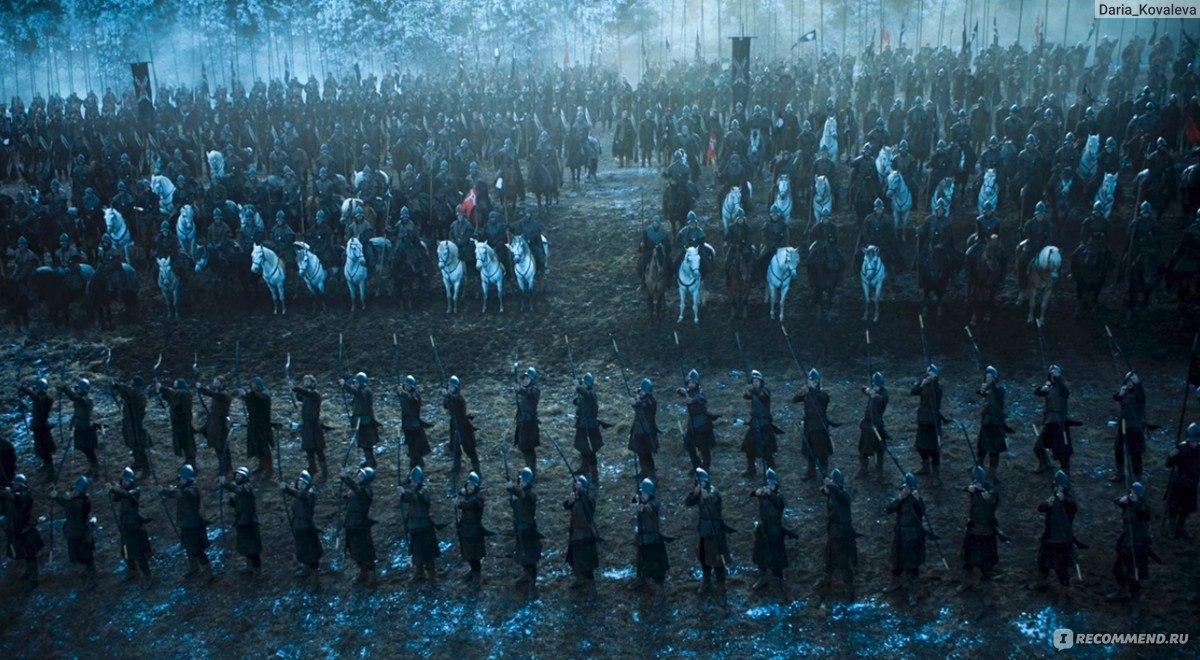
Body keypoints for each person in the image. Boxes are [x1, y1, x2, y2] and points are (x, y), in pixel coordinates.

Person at [160, 464, 213, 581]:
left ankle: (208, 572)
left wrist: (164, 491)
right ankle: (194, 567)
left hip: (194, 525)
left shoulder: (192, 489)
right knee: (189, 547)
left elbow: (179, 493)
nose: (179, 480)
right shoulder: (185, 488)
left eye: (181, 478)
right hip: (185, 524)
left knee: (197, 549)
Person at [685, 468, 731, 595]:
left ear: (707, 481)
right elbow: (688, 503)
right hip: (704, 529)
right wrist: (695, 494)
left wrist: (707, 497)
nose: (701, 484)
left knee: (718, 558)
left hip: (715, 530)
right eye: (699, 482)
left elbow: (715, 503)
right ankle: (706, 579)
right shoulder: (699, 492)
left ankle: (721, 584)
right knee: (703, 555)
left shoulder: (714, 492)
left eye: (703, 482)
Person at [1106, 482, 1154, 602]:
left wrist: (1135, 501)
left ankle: (1135, 598)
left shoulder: (1143, 507)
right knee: (1118, 569)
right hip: (1127, 542)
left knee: (1134, 573)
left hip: (1138, 545)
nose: (1130, 494)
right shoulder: (1129, 504)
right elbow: (1117, 501)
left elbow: (1143, 512)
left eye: (1132, 493)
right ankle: (1123, 591)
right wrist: (1124, 499)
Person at [49, 476, 98, 588]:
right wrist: (56, 495)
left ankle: (92, 580)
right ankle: (84, 577)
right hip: (73, 533)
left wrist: (57, 497)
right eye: (75, 489)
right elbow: (67, 501)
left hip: (82, 534)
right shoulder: (74, 499)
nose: (75, 491)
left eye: (78, 490)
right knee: (76, 557)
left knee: (87, 558)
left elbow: (70, 505)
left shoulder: (83, 502)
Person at [1035, 470, 1078, 593]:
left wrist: (1064, 499)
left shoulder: (1069, 500)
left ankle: (1064, 589)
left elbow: (1073, 507)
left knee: (1061, 566)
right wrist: (1047, 503)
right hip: (1049, 536)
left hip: (1062, 539)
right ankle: (1042, 582)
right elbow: (1041, 508)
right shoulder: (1052, 498)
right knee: (1042, 560)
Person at [750, 468, 791, 593]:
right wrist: (758, 492)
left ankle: (779, 579)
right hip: (763, 528)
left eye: (772, 483)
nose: (770, 485)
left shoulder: (779, 496)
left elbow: (778, 503)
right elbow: (753, 494)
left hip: (775, 529)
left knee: (776, 554)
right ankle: (763, 576)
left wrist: (770, 494)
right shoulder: (764, 493)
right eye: (768, 483)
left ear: (776, 484)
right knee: (760, 553)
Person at [960, 465, 1000, 591]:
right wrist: (969, 488)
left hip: (986, 530)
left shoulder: (990, 491)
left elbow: (994, 498)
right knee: (968, 558)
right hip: (973, 529)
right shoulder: (974, 488)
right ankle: (968, 581)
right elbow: (965, 488)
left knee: (986, 559)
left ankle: (986, 581)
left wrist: (988, 496)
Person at [1, 474, 44, 589]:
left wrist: (9, 493)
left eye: (16, 484)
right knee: (25, 554)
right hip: (18, 530)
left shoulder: (25, 496)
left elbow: (18, 499)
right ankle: (29, 571)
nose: (13, 485)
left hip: (26, 531)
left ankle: (34, 578)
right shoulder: (17, 494)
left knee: (30, 555)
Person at [109, 467, 152, 582]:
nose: (125, 482)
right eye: (123, 480)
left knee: (138, 552)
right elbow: (116, 498)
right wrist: (112, 490)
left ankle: (147, 576)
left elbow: (127, 495)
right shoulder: (123, 490)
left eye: (127, 480)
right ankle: (132, 570)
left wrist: (116, 489)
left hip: (134, 524)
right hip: (125, 524)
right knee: (125, 549)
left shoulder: (135, 490)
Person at [821, 468, 858, 597]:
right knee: (829, 556)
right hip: (833, 531)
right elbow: (825, 491)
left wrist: (830, 485)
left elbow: (838, 493)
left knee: (843, 560)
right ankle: (827, 579)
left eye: (832, 481)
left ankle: (850, 586)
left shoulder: (844, 495)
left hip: (842, 533)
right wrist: (826, 485)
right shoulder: (832, 494)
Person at [400, 466, 440, 582]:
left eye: (414, 481)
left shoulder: (423, 491)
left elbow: (417, 497)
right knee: (416, 550)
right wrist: (403, 490)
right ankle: (419, 572)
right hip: (414, 526)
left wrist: (405, 491)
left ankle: (431, 573)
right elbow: (406, 498)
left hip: (424, 526)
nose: (412, 483)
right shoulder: (412, 490)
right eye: (411, 481)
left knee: (427, 550)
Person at [507, 466, 542, 599]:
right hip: (519, 528)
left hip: (528, 529)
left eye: (524, 481)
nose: (521, 482)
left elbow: (523, 495)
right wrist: (512, 496)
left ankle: (532, 585)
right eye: (520, 480)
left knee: (530, 557)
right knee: (522, 553)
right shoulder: (520, 492)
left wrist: (512, 489)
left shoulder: (530, 494)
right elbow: (515, 506)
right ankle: (526, 575)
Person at [221, 466, 263, 575]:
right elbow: (234, 504)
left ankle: (258, 572)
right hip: (241, 521)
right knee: (246, 546)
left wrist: (226, 484)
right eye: (236, 475)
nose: (237, 477)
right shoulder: (238, 489)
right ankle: (249, 568)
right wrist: (231, 498)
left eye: (240, 476)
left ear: (245, 477)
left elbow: (240, 491)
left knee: (253, 549)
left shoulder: (247, 487)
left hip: (249, 522)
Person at [280, 470, 322, 578]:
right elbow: (297, 495)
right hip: (298, 526)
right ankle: (306, 569)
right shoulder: (298, 494)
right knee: (302, 548)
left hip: (307, 528)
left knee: (311, 551)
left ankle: (315, 577)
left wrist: (287, 489)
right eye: (299, 482)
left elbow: (301, 495)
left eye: (303, 483)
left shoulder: (310, 495)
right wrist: (288, 489)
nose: (300, 484)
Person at [630, 477, 669, 595]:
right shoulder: (640, 499)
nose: (643, 495)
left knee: (656, 567)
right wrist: (638, 497)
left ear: (650, 494)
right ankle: (641, 578)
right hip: (641, 538)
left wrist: (644, 507)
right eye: (642, 492)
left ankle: (660, 591)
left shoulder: (654, 503)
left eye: (645, 493)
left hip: (653, 540)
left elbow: (652, 508)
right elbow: (632, 502)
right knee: (640, 561)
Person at [794, 368, 834, 480]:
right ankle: (811, 474)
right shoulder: (807, 393)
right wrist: (802, 391)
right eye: (809, 381)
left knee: (822, 452)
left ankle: (824, 475)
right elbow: (794, 399)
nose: (809, 383)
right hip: (809, 426)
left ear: (816, 382)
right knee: (809, 451)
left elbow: (822, 400)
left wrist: (812, 390)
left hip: (819, 427)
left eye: (811, 381)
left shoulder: (823, 395)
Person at [1033, 364, 1073, 473]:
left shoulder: (1062, 387)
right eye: (1051, 373)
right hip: (1050, 421)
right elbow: (1037, 392)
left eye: (1056, 373)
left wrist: (1058, 378)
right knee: (1039, 446)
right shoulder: (1049, 387)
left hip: (1060, 422)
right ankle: (1044, 464)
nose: (1053, 375)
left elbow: (1065, 393)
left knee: (1063, 448)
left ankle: (1065, 469)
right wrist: (1042, 388)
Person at [341, 466, 377, 585]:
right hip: (351, 523)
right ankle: (362, 571)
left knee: (365, 550)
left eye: (362, 476)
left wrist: (346, 478)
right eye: (359, 474)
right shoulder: (355, 490)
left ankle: (372, 576)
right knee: (354, 549)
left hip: (361, 525)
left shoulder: (366, 491)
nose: (358, 476)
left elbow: (358, 491)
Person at [563, 475, 599, 594]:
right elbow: (566, 505)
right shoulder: (576, 498)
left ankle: (592, 589)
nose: (576, 490)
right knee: (573, 559)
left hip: (585, 536)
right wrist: (570, 501)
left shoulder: (588, 500)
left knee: (586, 564)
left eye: (578, 488)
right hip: (575, 535)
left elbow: (588, 504)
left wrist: (581, 491)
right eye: (575, 488)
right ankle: (579, 579)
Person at [742, 370, 781, 477]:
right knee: (749, 446)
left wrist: (753, 390)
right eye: (753, 381)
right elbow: (746, 396)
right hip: (754, 423)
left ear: (761, 382)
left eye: (757, 381)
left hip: (764, 424)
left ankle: (771, 471)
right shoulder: (754, 391)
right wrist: (748, 390)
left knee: (766, 449)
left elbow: (762, 396)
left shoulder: (765, 391)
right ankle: (751, 469)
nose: (755, 383)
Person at [910, 364, 945, 483]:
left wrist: (933, 381)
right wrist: (922, 383)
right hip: (923, 419)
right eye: (928, 373)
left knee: (934, 450)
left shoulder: (938, 387)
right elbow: (913, 392)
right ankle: (925, 467)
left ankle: (936, 476)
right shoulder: (925, 384)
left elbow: (935, 394)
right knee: (920, 446)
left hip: (933, 421)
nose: (929, 375)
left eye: (932, 373)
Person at [1165, 423, 1200, 540]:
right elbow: (1168, 465)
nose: (1194, 443)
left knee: (1187, 508)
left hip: (1192, 482)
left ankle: (1180, 527)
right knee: (1174, 506)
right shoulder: (1181, 448)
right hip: (1179, 482)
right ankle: (1172, 527)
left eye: (1196, 441)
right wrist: (1171, 456)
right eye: (1192, 440)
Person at [58, 377, 99, 476]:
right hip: (80, 427)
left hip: (87, 428)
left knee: (89, 449)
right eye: (77, 388)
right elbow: (77, 412)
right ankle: (92, 466)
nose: (77, 390)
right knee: (84, 448)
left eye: (80, 389)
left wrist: (65, 388)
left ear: (84, 390)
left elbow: (74, 397)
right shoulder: (79, 399)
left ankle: (95, 468)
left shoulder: (86, 400)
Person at [678, 369, 717, 470]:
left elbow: (700, 398)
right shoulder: (688, 391)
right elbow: (680, 392)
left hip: (702, 424)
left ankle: (706, 467)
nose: (690, 384)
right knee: (690, 447)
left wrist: (691, 400)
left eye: (692, 382)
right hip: (692, 424)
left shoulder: (700, 391)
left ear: (696, 383)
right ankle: (696, 466)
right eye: (689, 382)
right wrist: (682, 391)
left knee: (704, 448)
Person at [976, 366, 1009, 484]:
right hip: (986, 424)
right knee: (981, 449)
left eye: (990, 377)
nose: (988, 378)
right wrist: (982, 391)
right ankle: (978, 470)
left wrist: (989, 387)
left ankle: (991, 475)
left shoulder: (999, 389)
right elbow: (983, 394)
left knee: (994, 451)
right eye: (987, 377)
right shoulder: (989, 389)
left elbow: (997, 394)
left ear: (995, 378)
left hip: (995, 425)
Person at [291, 375, 328, 481]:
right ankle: (313, 469)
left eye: (308, 381)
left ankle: (324, 473)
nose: (306, 383)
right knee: (309, 450)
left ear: (313, 383)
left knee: (319, 451)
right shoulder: (307, 395)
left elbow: (307, 394)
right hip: (307, 427)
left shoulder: (315, 394)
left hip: (315, 427)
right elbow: (300, 397)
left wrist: (295, 388)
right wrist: (293, 390)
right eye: (305, 381)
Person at [112, 376, 152, 474]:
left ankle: (146, 468)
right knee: (132, 443)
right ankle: (138, 462)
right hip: (130, 423)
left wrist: (117, 385)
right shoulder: (133, 394)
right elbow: (127, 395)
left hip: (137, 424)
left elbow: (130, 392)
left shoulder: (139, 393)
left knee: (139, 445)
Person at [1112, 371, 1147, 483]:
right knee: (1119, 449)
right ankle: (1120, 473)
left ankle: (1137, 478)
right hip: (1123, 425)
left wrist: (1138, 383)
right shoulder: (1125, 392)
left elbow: (1141, 394)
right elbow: (1116, 398)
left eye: (1132, 381)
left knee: (1135, 453)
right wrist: (1120, 394)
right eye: (1128, 381)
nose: (1130, 383)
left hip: (1135, 427)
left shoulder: (1139, 394)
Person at [443, 375, 481, 476]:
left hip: (463, 425)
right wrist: (446, 396)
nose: (450, 388)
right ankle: (456, 469)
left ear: (456, 388)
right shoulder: (450, 397)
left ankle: (476, 469)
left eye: (452, 387)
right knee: (456, 450)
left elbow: (455, 400)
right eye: (449, 386)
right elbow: (445, 405)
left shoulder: (459, 398)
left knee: (470, 449)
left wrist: (448, 395)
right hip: (454, 425)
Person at [17, 377, 56, 476]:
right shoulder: (40, 397)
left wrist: (24, 388)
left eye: (38, 387)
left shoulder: (46, 398)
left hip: (42, 427)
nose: (36, 389)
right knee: (40, 449)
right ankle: (46, 465)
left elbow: (35, 397)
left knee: (45, 449)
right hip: (37, 426)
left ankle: (50, 471)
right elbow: (35, 403)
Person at [341, 372, 381, 468]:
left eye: (356, 382)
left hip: (366, 422)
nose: (355, 384)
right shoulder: (361, 391)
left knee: (367, 444)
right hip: (362, 421)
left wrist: (345, 385)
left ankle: (371, 463)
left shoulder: (365, 391)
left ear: (361, 382)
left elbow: (356, 392)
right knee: (365, 444)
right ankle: (370, 461)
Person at [572, 373, 606, 486]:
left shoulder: (591, 394)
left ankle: (594, 474)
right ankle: (584, 467)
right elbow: (576, 401)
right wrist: (577, 391)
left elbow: (587, 396)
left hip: (590, 427)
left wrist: (578, 387)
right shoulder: (584, 393)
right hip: (582, 424)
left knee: (591, 451)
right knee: (582, 447)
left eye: (584, 383)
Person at [455, 471, 488, 585]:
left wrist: (459, 500)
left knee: (475, 554)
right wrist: (461, 493)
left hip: (474, 530)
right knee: (468, 552)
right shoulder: (468, 496)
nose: (469, 487)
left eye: (472, 486)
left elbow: (467, 504)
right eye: (468, 485)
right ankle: (473, 571)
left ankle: (477, 575)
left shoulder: (478, 499)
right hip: (465, 528)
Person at [197, 377, 233, 478]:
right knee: (218, 446)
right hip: (215, 424)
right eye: (214, 383)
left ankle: (226, 468)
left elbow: (214, 394)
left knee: (222, 447)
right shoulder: (218, 393)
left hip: (221, 425)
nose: (214, 384)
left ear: (222, 384)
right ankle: (223, 466)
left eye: (216, 383)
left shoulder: (224, 394)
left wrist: (202, 389)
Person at [158, 378, 198, 469]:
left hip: (184, 423)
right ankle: (188, 463)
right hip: (179, 424)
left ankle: (192, 465)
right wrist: (163, 393)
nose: (174, 384)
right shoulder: (178, 394)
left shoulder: (183, 393)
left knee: (188, 444)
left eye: (176, 383)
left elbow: (174, 395)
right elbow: (172, 399)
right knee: (183, 444)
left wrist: (162, 388)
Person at [239, 377, 275, 475]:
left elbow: (258, 399)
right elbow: (251, 403)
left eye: (254, 384)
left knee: (264, 447)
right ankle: (262, 465)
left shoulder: (264, 394)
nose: (252, 385)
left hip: (263, 425)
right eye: (252, 384)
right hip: (254, 424)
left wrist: (246, 394)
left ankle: (269, 467)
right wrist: (244, 396)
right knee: (257, 446)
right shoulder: (253, 395)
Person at [858, 371, 889, 477]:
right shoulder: (872, 390)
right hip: (867, 425)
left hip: (876, 426)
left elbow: (881, 400)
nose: (875, 387)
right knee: (863, 449)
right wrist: (868, 390)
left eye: (876, 385)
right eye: (874, 385)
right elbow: (863, 388)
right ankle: (863, 469)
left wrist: (874, 395)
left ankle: (879, 472)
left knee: (879, 450)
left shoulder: (884, 394)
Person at [628, 378, 661, 479]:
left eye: (643, 391)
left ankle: (651, 474)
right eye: (641, 391)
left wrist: (636, 402)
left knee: (647, 454)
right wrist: (636, 400)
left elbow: (644, 406)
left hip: (647, 432)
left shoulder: (651, 401)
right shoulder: (642, 398)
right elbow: (638, 406)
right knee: (640, 452)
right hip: (639, 430)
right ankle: (644, 471)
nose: (641, 392)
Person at [399, 375, 433, 469]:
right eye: (406, 385)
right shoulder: (404, 394)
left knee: (416, 446)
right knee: (411, 445)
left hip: (414, 425)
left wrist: (403, 393)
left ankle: (419, 463)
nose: (407, 387)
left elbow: (412, 401)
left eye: (409, 386)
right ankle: (414, 462)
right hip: (407, 424)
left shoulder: (415, 395)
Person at [513, 366, 541, 472]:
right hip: (522, 421)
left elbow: (528, 393)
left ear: (532, 380)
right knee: (523, 447)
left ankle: (532, 470)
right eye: (524, 378)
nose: (525, 380)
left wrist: (520, 389)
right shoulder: (525, 389)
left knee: (529, 448)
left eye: (528, 378)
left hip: (530, 423)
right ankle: (528, 467)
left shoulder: (535, 390)